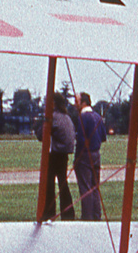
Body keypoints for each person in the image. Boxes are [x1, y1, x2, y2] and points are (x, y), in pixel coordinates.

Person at [41, 92, 76, 222]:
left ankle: (48, 212)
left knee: (49, 184)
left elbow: (41, 134)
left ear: (53, 103)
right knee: (63, 184)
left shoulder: (53, 117)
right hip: (64, 155)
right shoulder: (67, 117)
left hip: (54, 154)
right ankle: (68, 213)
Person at [74, 92, 108, 221]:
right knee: (95, 187)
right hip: (96, 154)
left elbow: (81, 140)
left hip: (85, 156)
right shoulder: (97, 116)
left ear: (83, 103)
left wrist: (77, 158)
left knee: (85, 187)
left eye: (77, 101)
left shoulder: (83, 117)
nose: (75, 104)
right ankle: (96, 216)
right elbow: (103, 137)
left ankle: (87, 217)